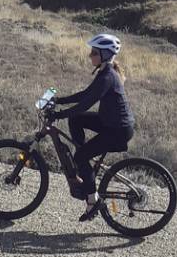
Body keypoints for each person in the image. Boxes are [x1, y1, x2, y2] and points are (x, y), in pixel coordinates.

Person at [51, 33, 135, 222]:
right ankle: (83, 165)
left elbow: (85, 104)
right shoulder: (104, 72)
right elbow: (85, 94)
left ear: (105, 55)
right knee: (76, 120)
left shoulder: (108, 77)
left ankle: (92, 200)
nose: (90, 55)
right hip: (110, 122)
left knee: (80, 156)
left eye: (94, 52)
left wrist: (58, 114)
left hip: (118, 130)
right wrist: (58, 101)